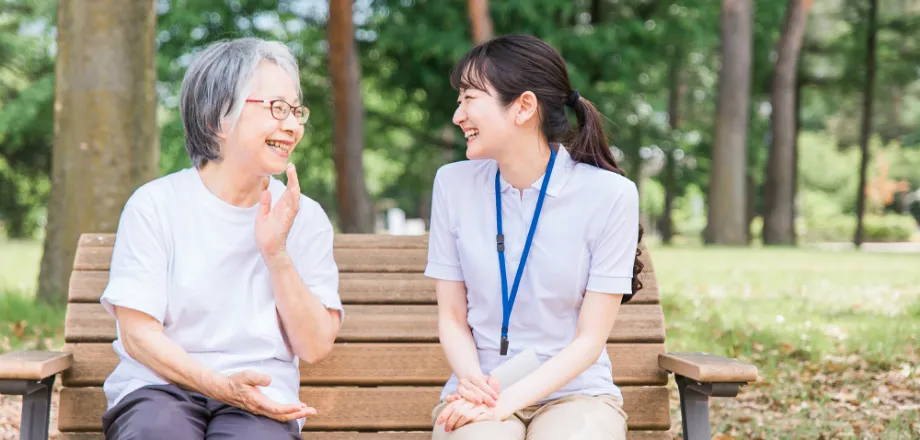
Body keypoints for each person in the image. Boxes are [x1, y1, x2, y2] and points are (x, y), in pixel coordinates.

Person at [98, 38, 344, 439]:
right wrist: (220, 386)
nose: (293, 125)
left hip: (263, 398)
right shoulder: (156, 205)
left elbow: (315, 346)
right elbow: (138, 336)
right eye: (276, 108)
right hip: (159, 387)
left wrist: (276, 253)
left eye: (296, 110)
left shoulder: (305, 217)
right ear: (217, 119)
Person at [424, 34, 643, 440]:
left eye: (469, 98)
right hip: (480, 388)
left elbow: (589, 341)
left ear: (523, 106)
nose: (458, 115)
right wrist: (477, 387)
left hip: (577, 396)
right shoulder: (452, 185)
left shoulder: (611, 195)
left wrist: (505, 403)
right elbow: (452, 317)